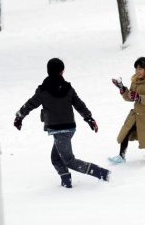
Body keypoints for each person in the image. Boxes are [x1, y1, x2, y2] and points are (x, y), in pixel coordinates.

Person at [14, 58, 110, 188]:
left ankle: (102, 173)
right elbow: (79, 105)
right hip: (69, 129)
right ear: (62, 71)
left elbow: (30, 104)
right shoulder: (68, 87)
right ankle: (66, 182)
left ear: (48, 71)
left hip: (59, 130)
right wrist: (89, 119)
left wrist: (19, 117)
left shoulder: (43, 90)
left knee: (69, 160)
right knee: (56, 159)